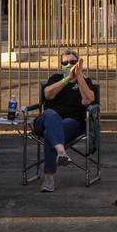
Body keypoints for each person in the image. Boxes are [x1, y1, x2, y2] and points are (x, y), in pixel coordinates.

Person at [34, 50, 98, 192]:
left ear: (78, 65)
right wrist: (66, 80)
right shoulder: (56, 78)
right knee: (50, 114)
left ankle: (49, 178)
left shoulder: (85, 81)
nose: (69, 64)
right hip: (46, 120)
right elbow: (48, 95)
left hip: (71, 123)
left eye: (73, 62)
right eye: (65, 62)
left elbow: (88, 100)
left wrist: (79, 77)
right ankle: (61, 152)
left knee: (49, 133)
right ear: (61, 65)